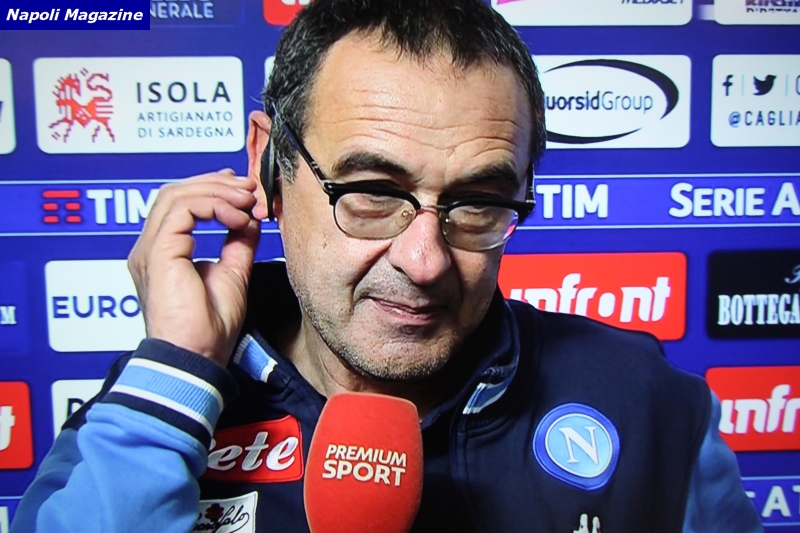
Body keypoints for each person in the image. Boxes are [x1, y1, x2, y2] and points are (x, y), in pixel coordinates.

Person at [12, 1, 762, 532]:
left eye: (477, 201)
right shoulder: (155, 409)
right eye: (372, 191)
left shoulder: (648, 406)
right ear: (270, 167)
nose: (424, 261)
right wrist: (177, 370)